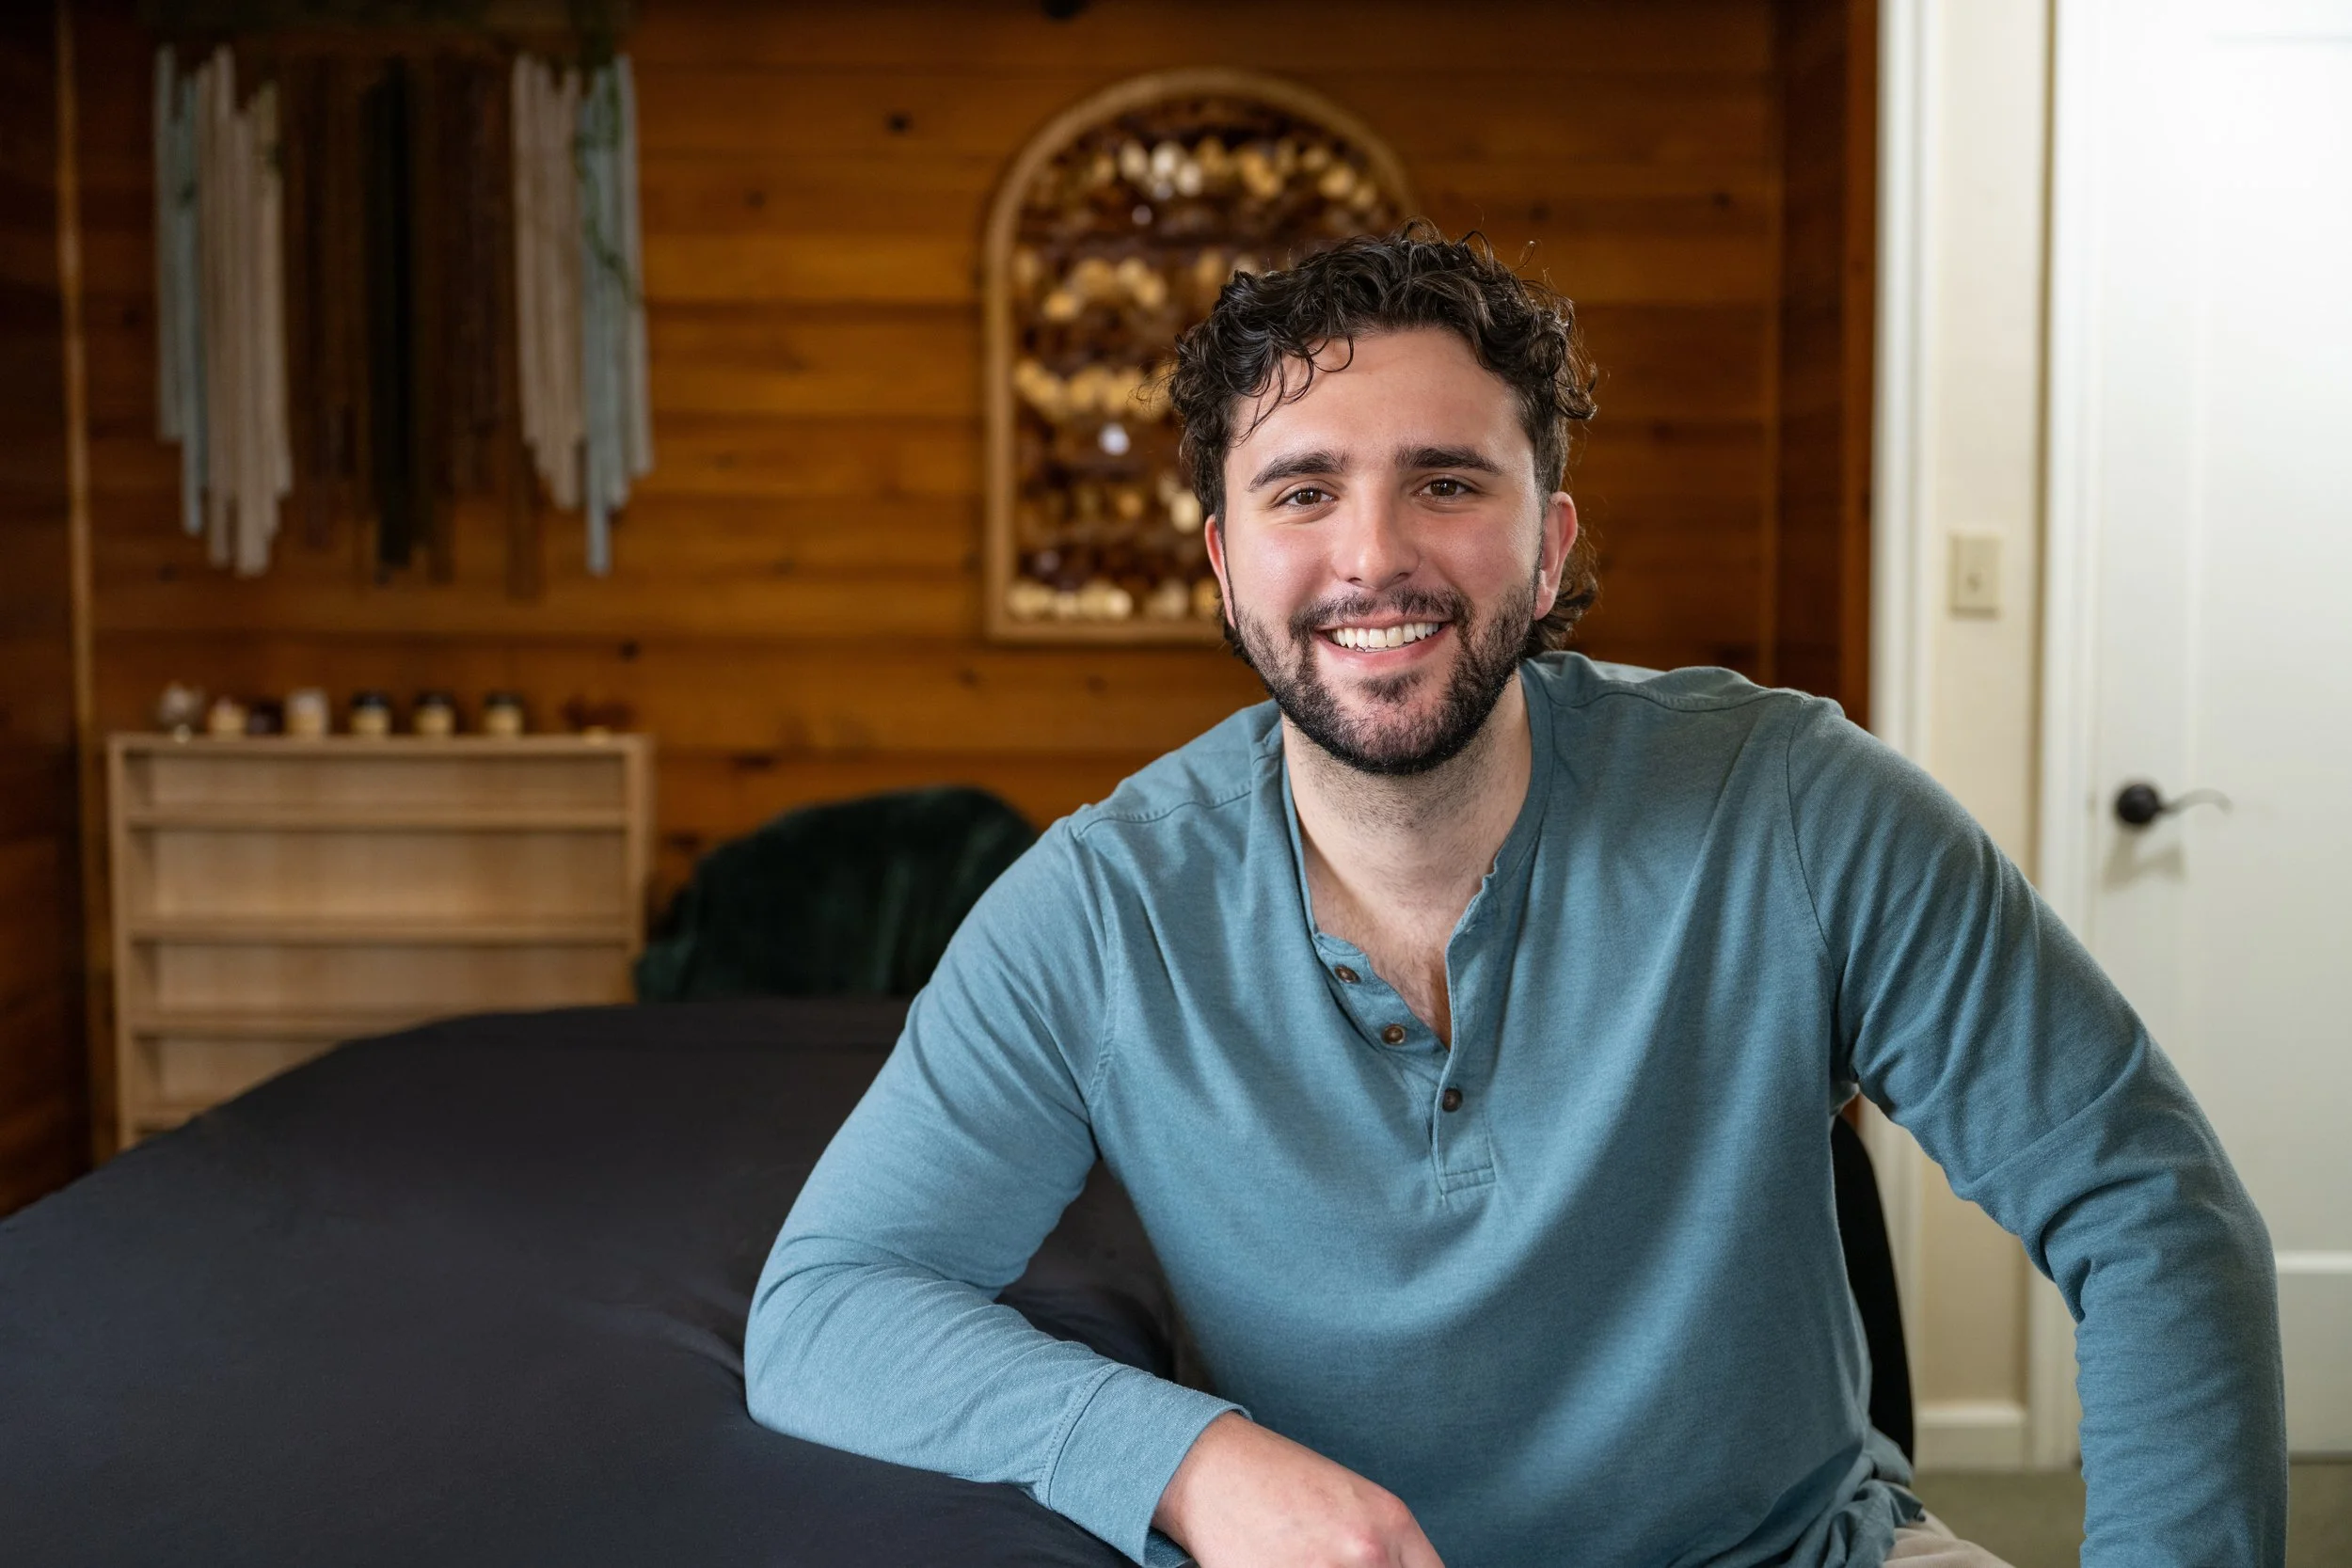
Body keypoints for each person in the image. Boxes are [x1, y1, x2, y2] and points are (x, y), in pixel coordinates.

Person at [743, 226, 2285, 1567]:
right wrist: (1192, 1460)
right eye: (1302, 492)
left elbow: (2149, 1202)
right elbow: (827, 1305)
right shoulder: (1095, 910)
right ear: (1223, 566)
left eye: (1447, 481)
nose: (1376, 554)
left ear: (1546, 548)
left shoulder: (1798, 804)